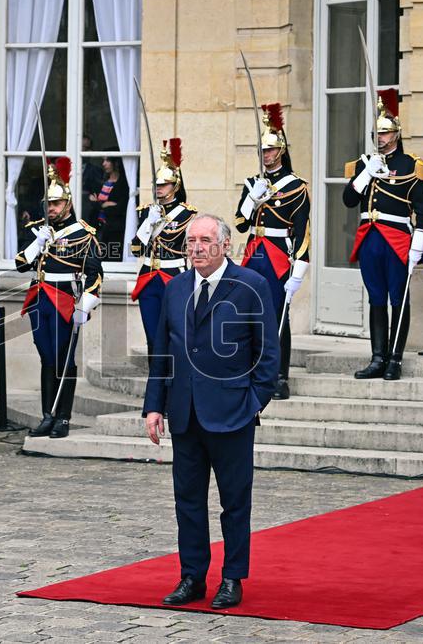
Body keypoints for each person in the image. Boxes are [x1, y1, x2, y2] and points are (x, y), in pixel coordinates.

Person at [142, 213, 280, 610]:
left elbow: (268, 355)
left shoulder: (250, 286)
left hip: (232, 413)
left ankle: (233, 578)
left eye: (204, 240)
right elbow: (162, 352)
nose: (196, 248)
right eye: (190, 242)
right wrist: (155, 405)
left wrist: (252, 402)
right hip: (184, 413)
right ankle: (192, 576)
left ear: (223, 245)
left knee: (235, 502)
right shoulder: (176, 288)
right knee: (187, 500)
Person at [342, 89, 423, 381]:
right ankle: (377, 357)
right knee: (376, 299)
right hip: (369, 238)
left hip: (397, 239)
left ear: (396, 134)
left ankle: (395, 358)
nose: (380, 138)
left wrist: (417, 247)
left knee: (399, 299)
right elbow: (348, 200)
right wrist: (367, 173)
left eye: (385, 133)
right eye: (377, 133)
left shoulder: (411, 166)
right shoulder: (363, 165)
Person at [16, 157, 103, 439]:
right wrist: (36, 244)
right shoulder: (38, 231)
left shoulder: (84, 234)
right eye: (48, 204)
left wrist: (85, 305)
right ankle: (47, 414)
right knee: (46, 357)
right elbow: (20, 264)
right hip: (40, 298)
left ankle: (63, 416)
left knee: (64, 358)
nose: (51, 209)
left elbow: (95, 275)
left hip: (65, 299)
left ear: (67, 203)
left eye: (56, 204)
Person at [234, 104, 311, 400]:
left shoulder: (296, 186)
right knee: (248, 313)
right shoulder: (253, 183)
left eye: (270, 151)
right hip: (254, 251)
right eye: (262, 151)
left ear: (280, 152)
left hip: (279, 254)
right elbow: (241, 224)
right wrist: (251, 201)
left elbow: (302, 231)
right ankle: (250, 367)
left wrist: (299, 269)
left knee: (279, 314)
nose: (265, 156)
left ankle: (280, 375)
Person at [130, 138, 197, 356]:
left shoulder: (187, 214)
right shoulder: (145, 212)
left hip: (174, 275)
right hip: (148, 276)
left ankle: (173, 385)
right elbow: (136, 250)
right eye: (156, 185)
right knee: (153, 336)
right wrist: (149, 222)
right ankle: (156, 386)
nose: (158, 189)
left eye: (164, 185)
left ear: (175, 186)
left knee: (174, 335)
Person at [90, 154, 130, 261]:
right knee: (97, 257)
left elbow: (120, 208)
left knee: (112, 257)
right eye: (103, 160)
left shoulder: (123, 183)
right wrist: (104, 205)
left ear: (115, 162)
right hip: (98, 227)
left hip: (114, 229)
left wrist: (99, 204)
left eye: (107, 160)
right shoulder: (100, 182)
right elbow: (92, 203)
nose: (104, 164)